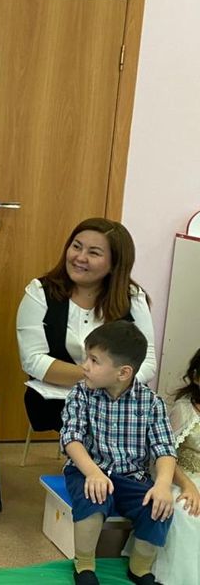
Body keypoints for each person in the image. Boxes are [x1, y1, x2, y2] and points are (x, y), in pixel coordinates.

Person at [61, 321, 175, 585]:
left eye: (94, 360)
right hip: (88, 470)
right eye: (86, 357)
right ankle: (84, 565)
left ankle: (140, 568)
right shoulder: (80, 394)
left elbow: (164, 449)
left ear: (123, 373)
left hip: (133, 477)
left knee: (158, 508)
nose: (85, 366)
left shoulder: (151, 403)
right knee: (92, 499)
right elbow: (71, 438)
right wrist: (93, 473)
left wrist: (162, 485)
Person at [16, 218, 157, 433]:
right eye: (76, 247)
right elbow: (32, 360)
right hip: (58, 399)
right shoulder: (40, 292)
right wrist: (100, 378)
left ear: (114, 264)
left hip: (118, 398)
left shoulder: (132, 297)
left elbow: (147, 361)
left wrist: (114, 385)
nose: (80, 257)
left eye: (94, 253)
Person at [152, 349, 200, 584]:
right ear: (197, 377)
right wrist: (188, 486)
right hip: (182, 476)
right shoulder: (184, 410)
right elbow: (166, 455)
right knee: (188, 511)